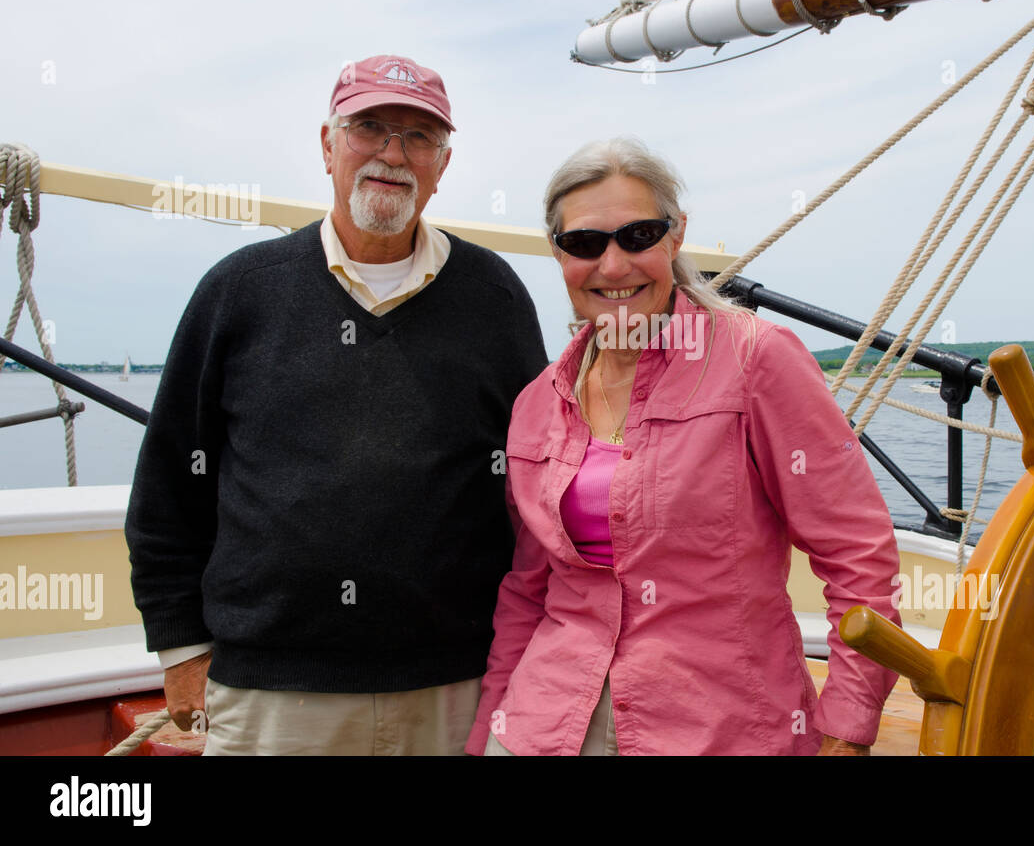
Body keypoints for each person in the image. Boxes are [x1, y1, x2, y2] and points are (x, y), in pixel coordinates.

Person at [125, 54, 548, 755]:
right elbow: (171, 485)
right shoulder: (239, 291)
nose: (392, 153)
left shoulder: (494, 297)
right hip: (270, 695)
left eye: (419, 136)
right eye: (370, 127)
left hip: (453, 688)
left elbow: (538, 486)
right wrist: (179, 649)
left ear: (443, 164)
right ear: (327, 145)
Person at [466, 138, 900, 756]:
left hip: (721, 729)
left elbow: (857, 553)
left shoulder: (757, 360)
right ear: (559, 255)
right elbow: (530, 587)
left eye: (638, 236)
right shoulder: (539, 401)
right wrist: (492, 727)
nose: (612, 266)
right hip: (543, 725)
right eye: (585, 244)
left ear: (675, 237)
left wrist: (847, 723)